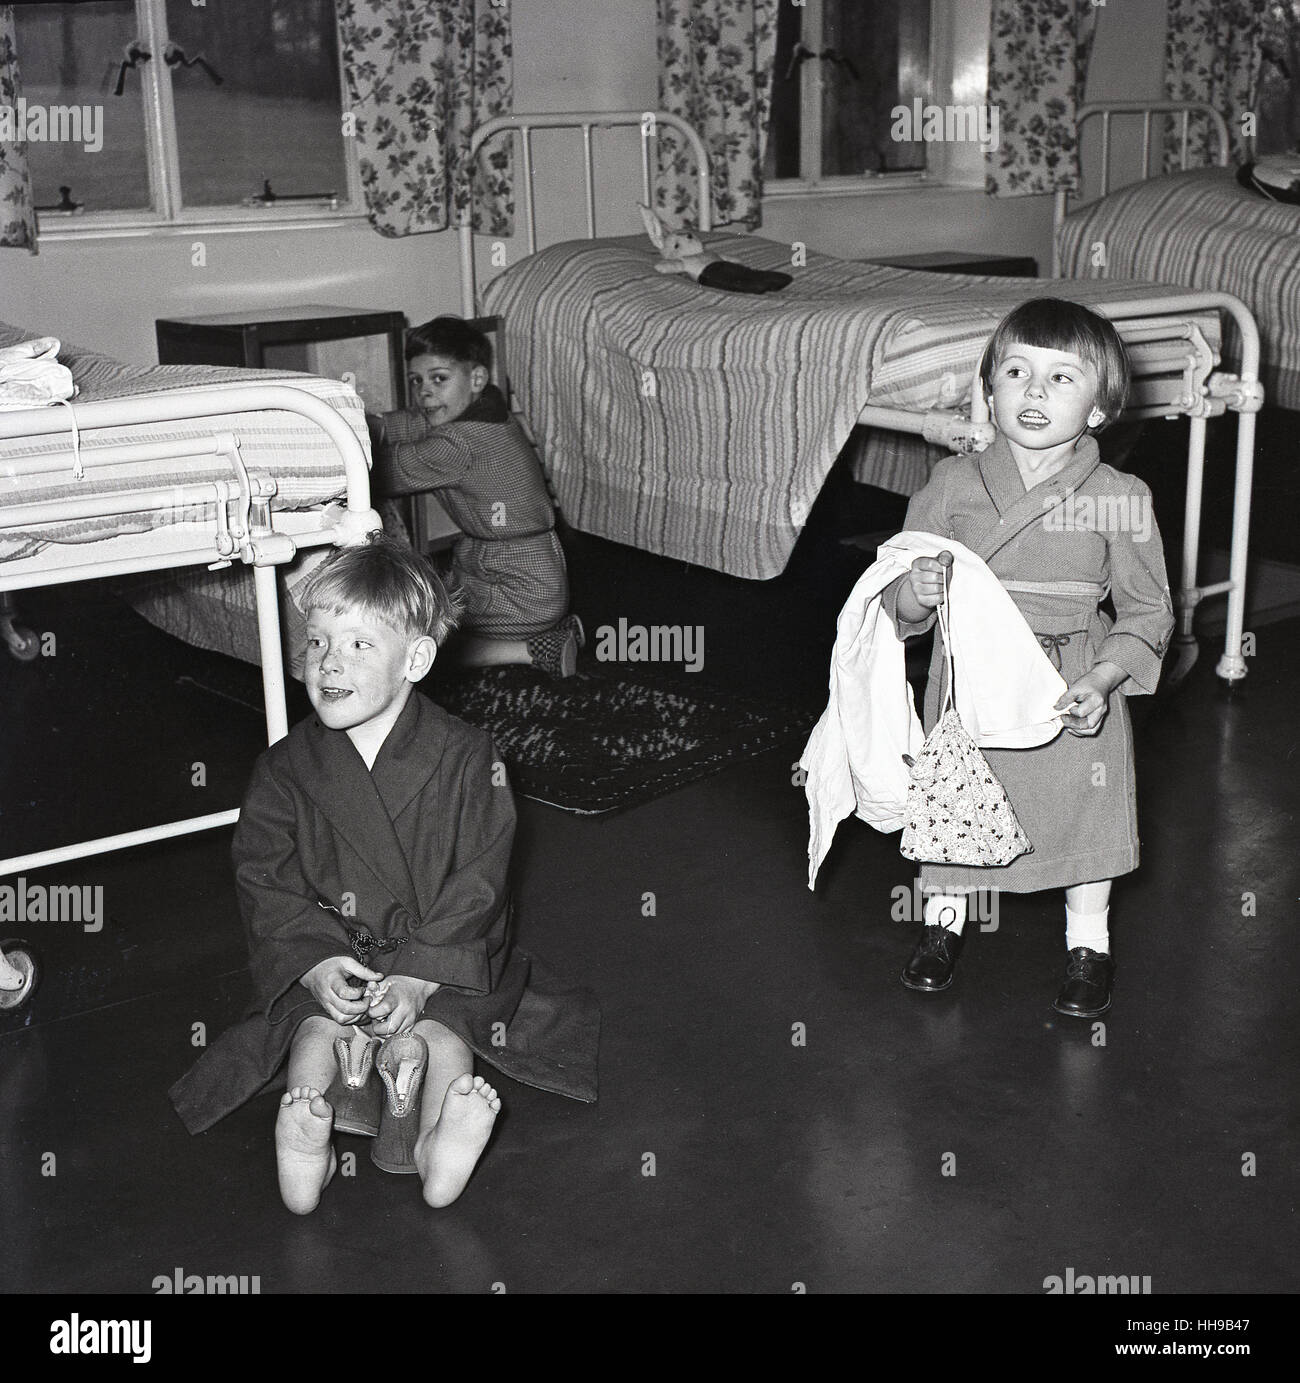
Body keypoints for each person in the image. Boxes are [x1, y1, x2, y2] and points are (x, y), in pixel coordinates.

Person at [169, 535, 599, 1213]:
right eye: (317, 642)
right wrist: (314, 964)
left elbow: (481, 877)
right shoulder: (284, 769)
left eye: (357, 645)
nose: (328, 663)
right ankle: (305, 1131)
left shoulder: (467, 756)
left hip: (440, 953)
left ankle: (435, 1142)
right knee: (314, 1027)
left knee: (443, 1033)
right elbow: (264, 876)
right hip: (336, 954)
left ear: (416, 659)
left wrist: (424, 970)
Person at [888, 298, 1175, 1017]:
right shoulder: (952, 486)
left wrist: (1105, 678)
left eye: (1060, 378)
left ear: (1102, 408)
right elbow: (895, 602)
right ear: (989, 391)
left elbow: (1147, 609)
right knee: (957, 804)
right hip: (971, 682)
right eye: (1016, 371)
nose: (1034, 392)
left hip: (1070, 680)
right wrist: (917, 593)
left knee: (1087, 814)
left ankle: (1089, 943)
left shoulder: (1117, 497)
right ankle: (943, 926)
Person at [367, 316, 583, 677]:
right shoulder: (489, 412)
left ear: (477, 379)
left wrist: (342, 443)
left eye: (439, 378)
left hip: (517, 582)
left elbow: (387, 471)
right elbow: (412, 421)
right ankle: (552, 628)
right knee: (432, 603)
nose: (424, 391)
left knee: (418, 644)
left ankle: (533, 649)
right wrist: (366, 422)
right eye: (416, 380)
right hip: (525, 571)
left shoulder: (460, 443)